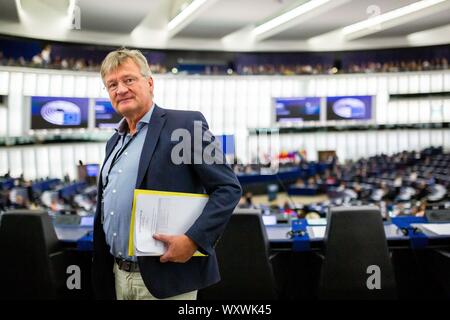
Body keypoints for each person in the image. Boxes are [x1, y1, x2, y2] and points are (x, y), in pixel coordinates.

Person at [92, 48, 242, 300]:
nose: (121, 89)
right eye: (112, 84)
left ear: (149, 83)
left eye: (129, 80)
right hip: (117, 275)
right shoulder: (113, 143)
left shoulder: (184, 126)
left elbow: (227, 188)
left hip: (165, 278)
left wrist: (193, 240)